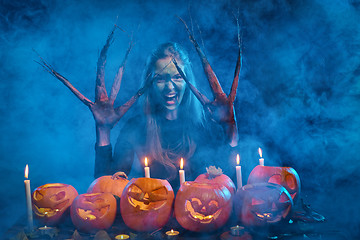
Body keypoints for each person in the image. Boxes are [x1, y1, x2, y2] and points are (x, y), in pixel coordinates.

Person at [94, 41, 239, 189]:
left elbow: (231, 183)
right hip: (149, 209)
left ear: (188, 82)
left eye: (177, 77)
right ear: (150, 83)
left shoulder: (204, 126)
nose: (169, 87)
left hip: (200, 208)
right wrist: (103, 130)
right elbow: (106, 188)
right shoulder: (135, 127)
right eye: (160, 78)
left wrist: (230, 126)